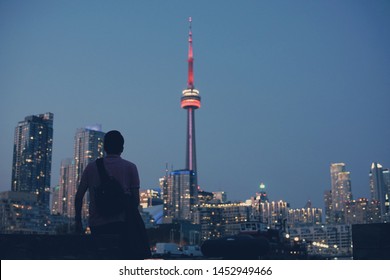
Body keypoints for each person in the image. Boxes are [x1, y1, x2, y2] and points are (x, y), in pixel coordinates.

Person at [75, 130, 151, 259]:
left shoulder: (91, 168)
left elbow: (79, 197)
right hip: (121, 224)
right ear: (122, 148)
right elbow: (135, 202)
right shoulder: (130, 167)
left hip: (96, 225)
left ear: (104, 147)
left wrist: (78, 221)